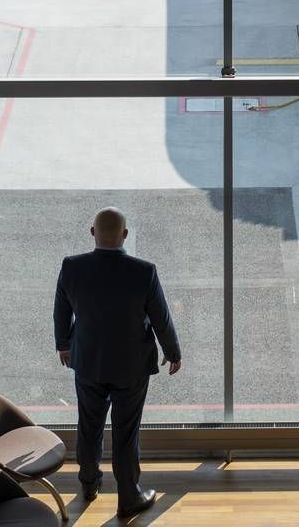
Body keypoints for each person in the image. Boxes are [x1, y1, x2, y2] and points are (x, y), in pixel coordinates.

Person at [54, 207, 181, 517]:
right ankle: (128, 497)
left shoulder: (72, 267)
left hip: (88, 362)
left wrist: (64, 345)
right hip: (132, 365)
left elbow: (61, 311)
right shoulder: (144, 271)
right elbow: (160, 318)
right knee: (126, 432)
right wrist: (172, 351)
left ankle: (88, 483)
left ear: (92, 232)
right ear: (125, 235)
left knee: (89, 425)